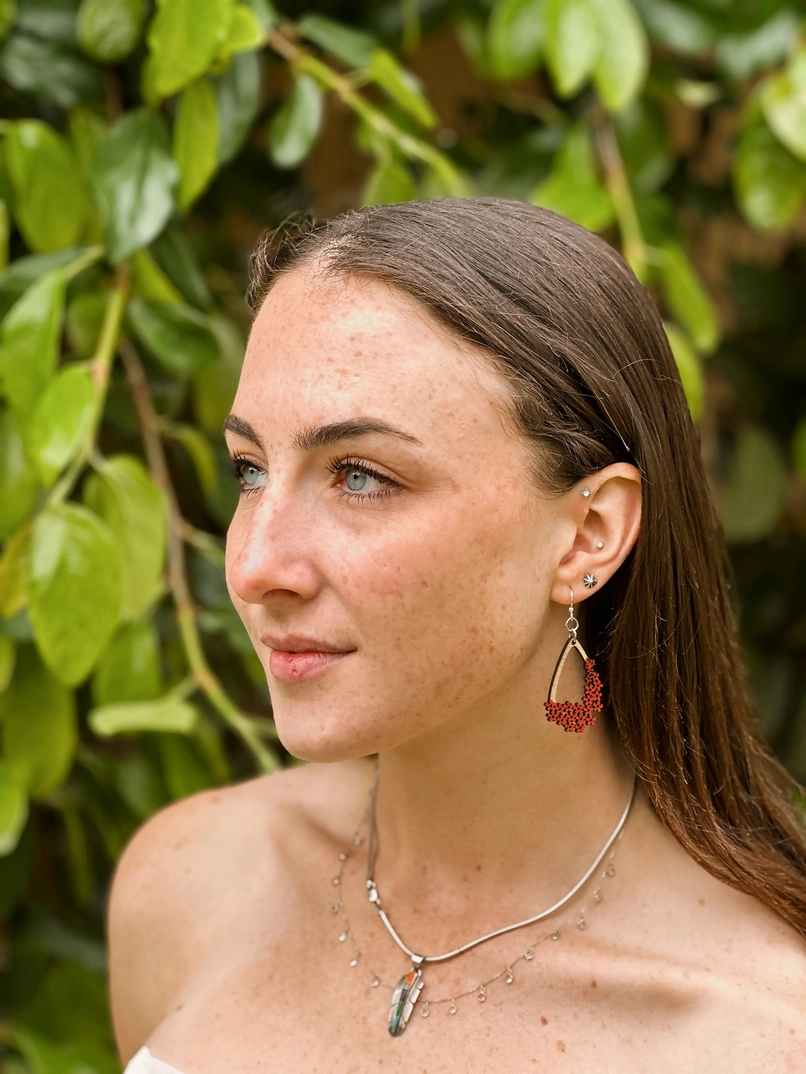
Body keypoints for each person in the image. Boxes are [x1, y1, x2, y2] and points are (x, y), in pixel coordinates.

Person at [108, 198, 806, 1073]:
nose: (254, 565)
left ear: (588, 535)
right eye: (250, 468)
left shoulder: (756, 1037)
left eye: (360, 476)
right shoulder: (186, 886)